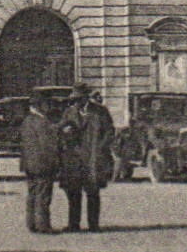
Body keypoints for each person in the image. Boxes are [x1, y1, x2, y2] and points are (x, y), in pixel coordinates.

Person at [59, 83, 115, 232]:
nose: (77, 102)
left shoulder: (100, 111)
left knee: (93, 192)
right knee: (73, 192)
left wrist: (101, 148)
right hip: (74, 158)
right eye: (75, 99)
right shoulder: (69, 112)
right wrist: (65, 132)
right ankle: (74, 224)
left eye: (79, 98)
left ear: (86, 98)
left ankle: (93, 225)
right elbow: (61, 130)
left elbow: (110, 132)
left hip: (93, 157)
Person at [20, 87, 62, 234]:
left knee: (32, 193)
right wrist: (56, 161)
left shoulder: (27, 120)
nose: (49, 107)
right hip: (43, 163)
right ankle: (43, 225)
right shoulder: (41, 121)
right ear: (40, 105)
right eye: (46, 104)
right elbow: (47, 144)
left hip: (29, 163)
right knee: (43, 194)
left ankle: (31, 223)